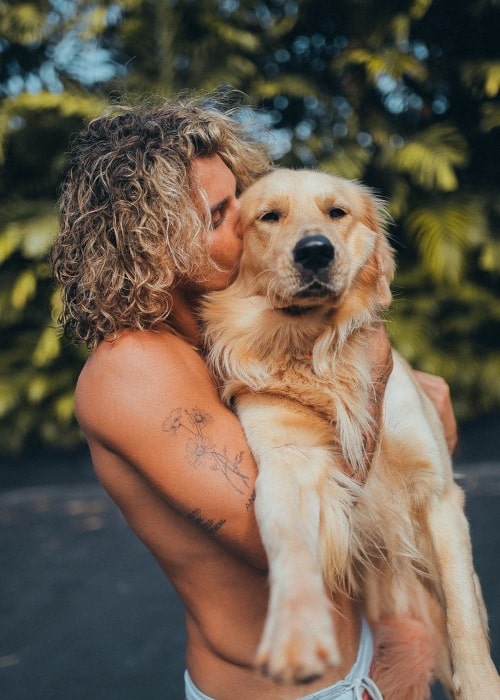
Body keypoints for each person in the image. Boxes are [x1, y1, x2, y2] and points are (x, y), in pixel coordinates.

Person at [51, 91, 458, 700]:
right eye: (217, 218)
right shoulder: (131, 369)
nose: (245, 229)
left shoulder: (243, 336)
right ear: (152, 245)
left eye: (237, 205)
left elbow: (392, 493)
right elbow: (293, 541)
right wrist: (373, 366)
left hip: (370, 664)